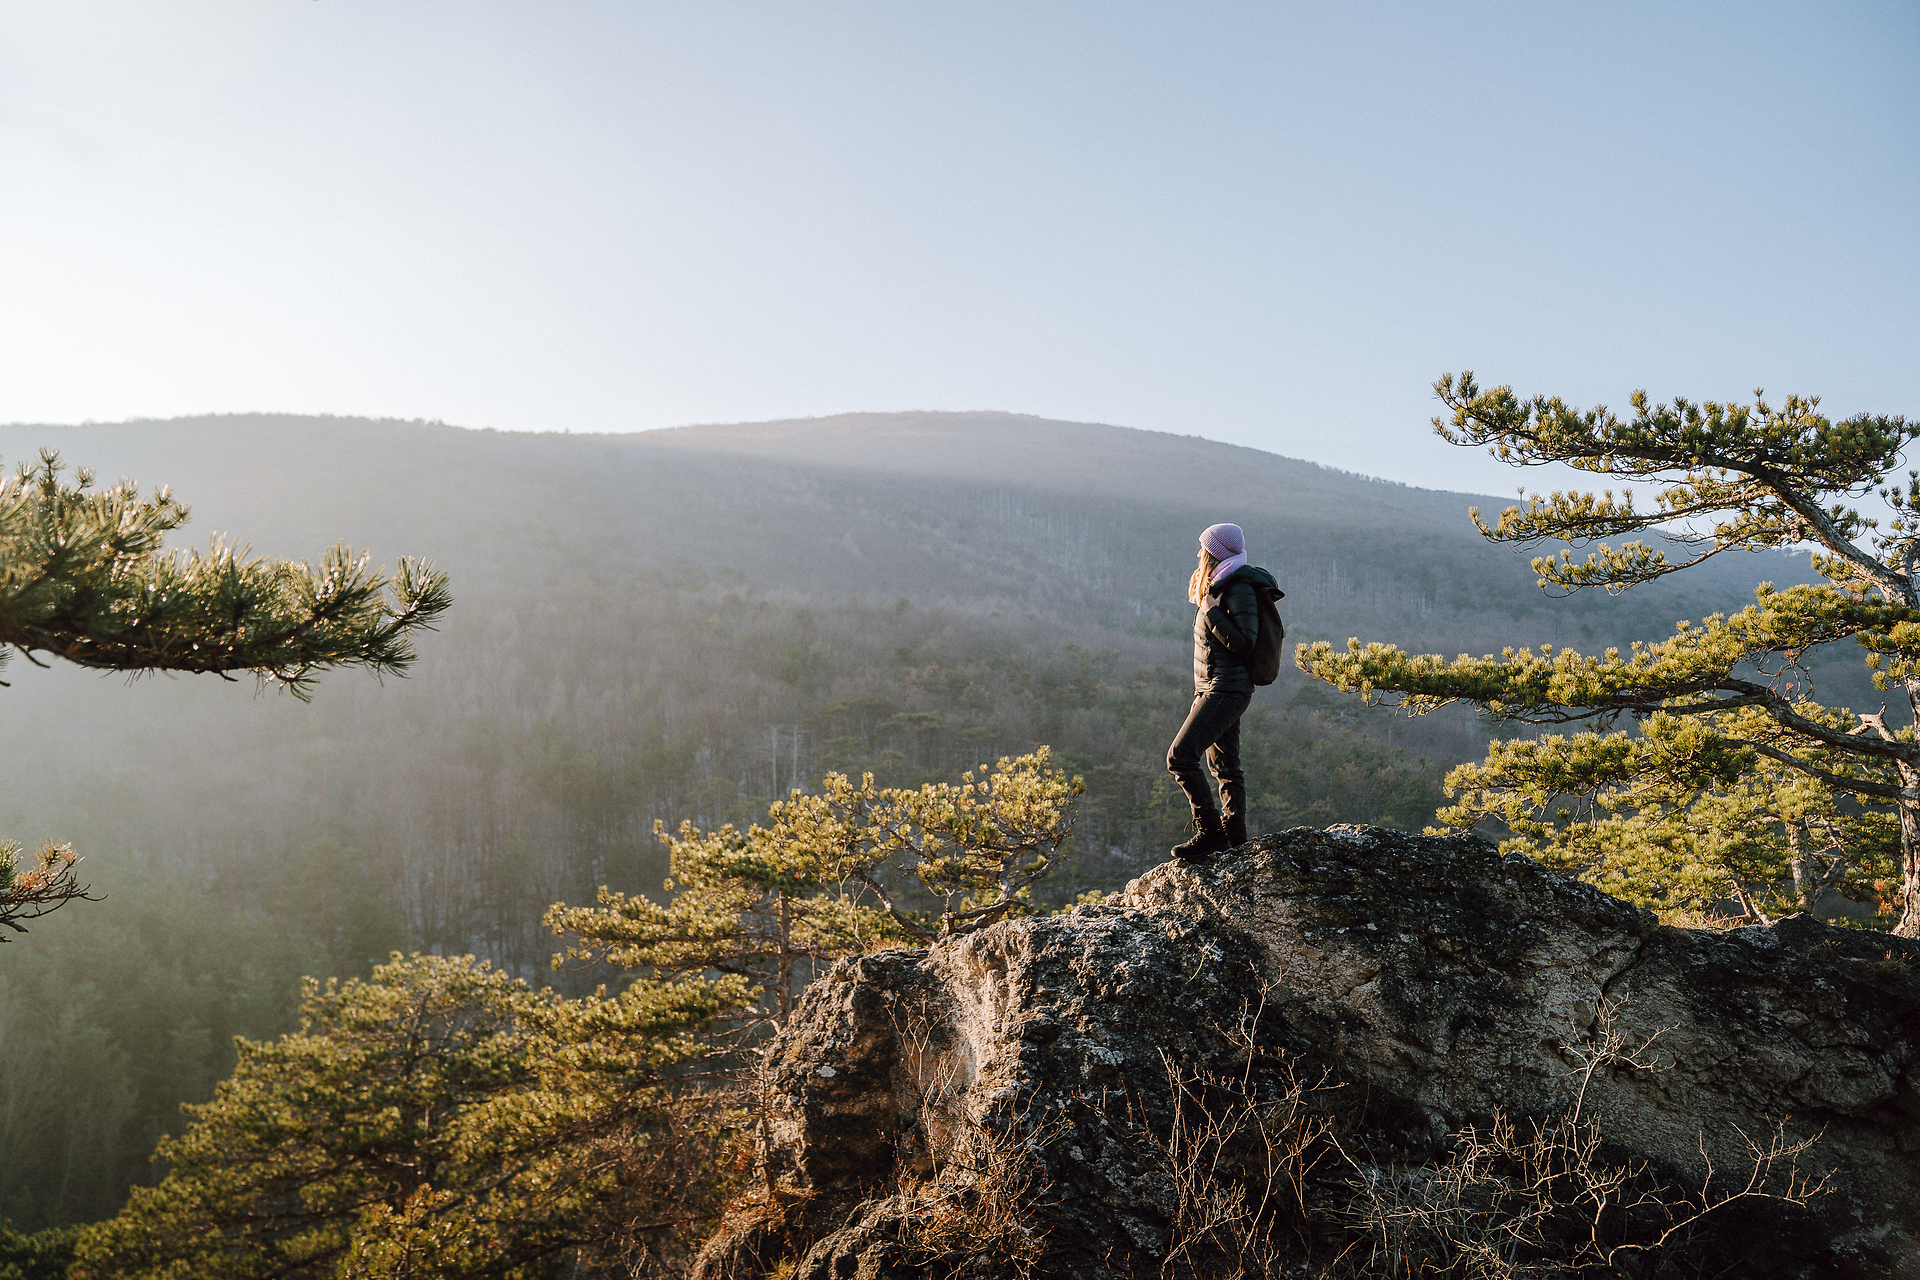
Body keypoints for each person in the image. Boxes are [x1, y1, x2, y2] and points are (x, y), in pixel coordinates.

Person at [1166, 522, 1279, 861]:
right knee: (1225, 766)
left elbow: (1245, 642)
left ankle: (1211, 835)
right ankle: (1235, 840)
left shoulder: (1237, 588)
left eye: (1204, 549)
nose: (1199, 554)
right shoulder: (1219, 586)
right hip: (1213, 688)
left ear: (1214, 554)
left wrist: (1212, 611)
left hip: (1226, 689)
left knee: (1180, 757)